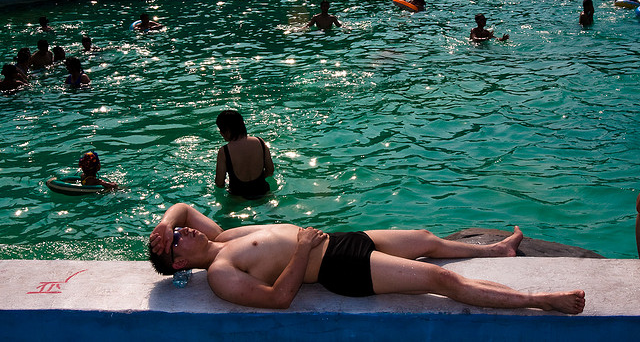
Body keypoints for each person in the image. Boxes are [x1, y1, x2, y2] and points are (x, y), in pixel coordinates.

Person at [148, 203, 586, 314]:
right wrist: (302, 250)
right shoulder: (222, 274)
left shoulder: (222, 237)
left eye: (179, 232)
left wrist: (166, 226)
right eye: (177, 242)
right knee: (441, 281)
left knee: (426, 238)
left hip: (339, 241)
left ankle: (494, 249)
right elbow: (278, 298)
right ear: (181, 264)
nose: (185, 231)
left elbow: (183, 210)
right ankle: (540, 300)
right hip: (337, 267)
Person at [215, 110, 274, 199]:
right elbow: (270, 170)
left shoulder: (224, 151)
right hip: (263, 193)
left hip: (238, 197)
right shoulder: (260, 142)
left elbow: (219, 183)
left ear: (226, 131)